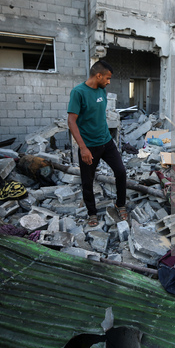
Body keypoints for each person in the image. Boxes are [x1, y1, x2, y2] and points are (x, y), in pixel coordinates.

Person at [67, 60, 128, 226]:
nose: (109, 82)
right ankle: (92, 213)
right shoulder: (78, 92)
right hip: (89, 146)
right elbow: (71, 121)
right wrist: (83, 148)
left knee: (121, 171)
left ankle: (120, 204)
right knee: (87, 181)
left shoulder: (102, 90)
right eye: (107, 78)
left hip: (106, 142)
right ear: (98, 75)